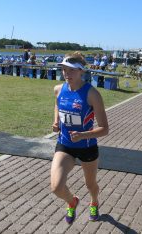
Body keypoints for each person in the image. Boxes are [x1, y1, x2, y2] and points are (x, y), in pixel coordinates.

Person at [51, 52, 109, 224]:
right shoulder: (59, 89)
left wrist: (83, 135)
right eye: (63, 70)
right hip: (65, 145)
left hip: (87, 147)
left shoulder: (92, 94)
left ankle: (94, 201)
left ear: (81, 71)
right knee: (56, 187)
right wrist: (55, 121)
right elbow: (57, 104)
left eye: (71, 70)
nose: (66, 74)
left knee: (90, 185)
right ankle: (72, 201)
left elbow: (104, 129)